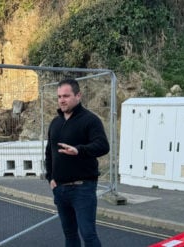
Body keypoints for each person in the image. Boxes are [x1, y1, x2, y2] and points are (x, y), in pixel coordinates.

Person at [44, 78, 109, 247]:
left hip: (83, 189)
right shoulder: (55, 123)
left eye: (66, 96)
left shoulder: (90, 120)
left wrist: (79, 150)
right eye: (59, 96)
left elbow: (102, 146)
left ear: (78, 95)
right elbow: (49, 151)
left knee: (88, 235)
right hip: (60, 189)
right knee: (70, 235)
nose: (62, 100)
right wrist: (50, 177)